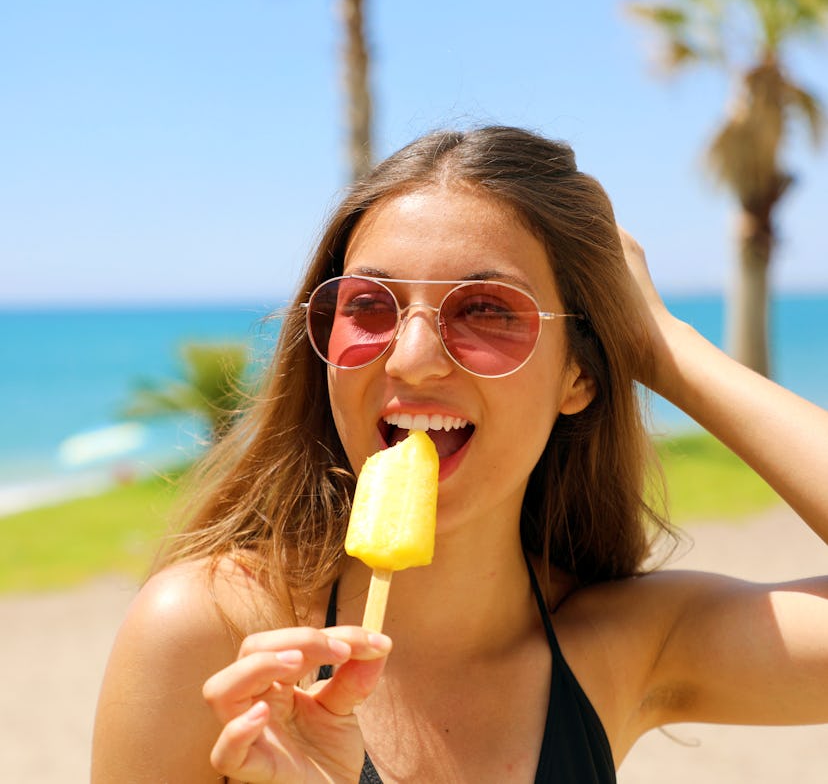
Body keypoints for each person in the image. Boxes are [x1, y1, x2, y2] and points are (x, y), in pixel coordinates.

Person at [92, 126, 828, 783]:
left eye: (484, 310)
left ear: (579, 374)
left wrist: (665, 347)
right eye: (369, 306)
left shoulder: (625, 644)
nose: (411, 360)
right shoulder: (209, 633)